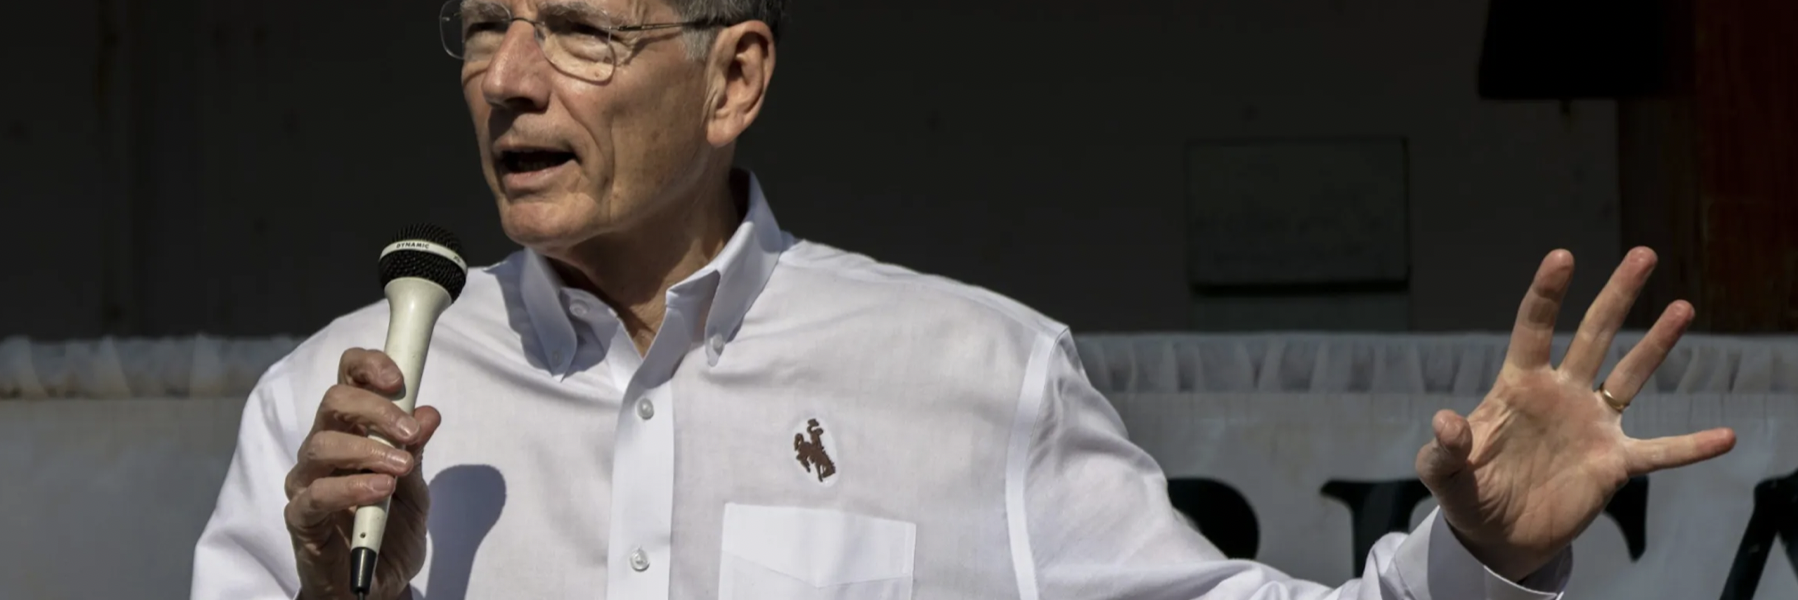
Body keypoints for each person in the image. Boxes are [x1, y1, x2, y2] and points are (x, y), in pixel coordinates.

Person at [189, 0, 1738, 598]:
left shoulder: (971, 371)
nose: (510, 79)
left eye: (581, 31)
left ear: (733, 78)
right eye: (481, 27)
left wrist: (1477, 562)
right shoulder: (335, 407)